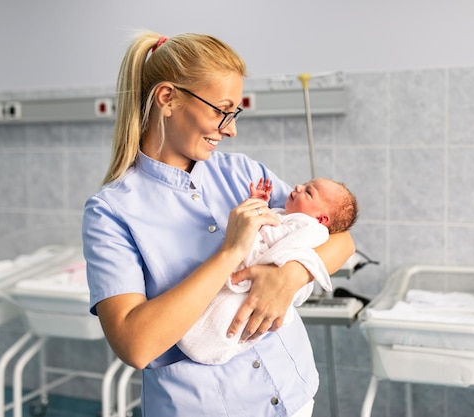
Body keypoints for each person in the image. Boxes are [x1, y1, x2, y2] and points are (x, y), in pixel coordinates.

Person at [81, 31, 355, 417]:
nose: (230, 129)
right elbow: (135, 345)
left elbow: (341, 240)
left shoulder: (243, 172)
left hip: (293, 394)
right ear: (167, 99)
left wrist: (288, 277)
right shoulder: (111, 211)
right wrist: (230, 252)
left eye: (235, 112)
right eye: (220, 110)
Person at [178, 177, 358, 365]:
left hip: (261, 274)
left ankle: (211, 339)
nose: (298, 186)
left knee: (234, 312)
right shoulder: (285, 214)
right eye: (304, 185)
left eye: (308, 192)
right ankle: (203, 335)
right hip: (244, 269)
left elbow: (276, 238)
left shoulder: (310, 227)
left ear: (321, 219)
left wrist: (259, 220)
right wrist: (260, 205)